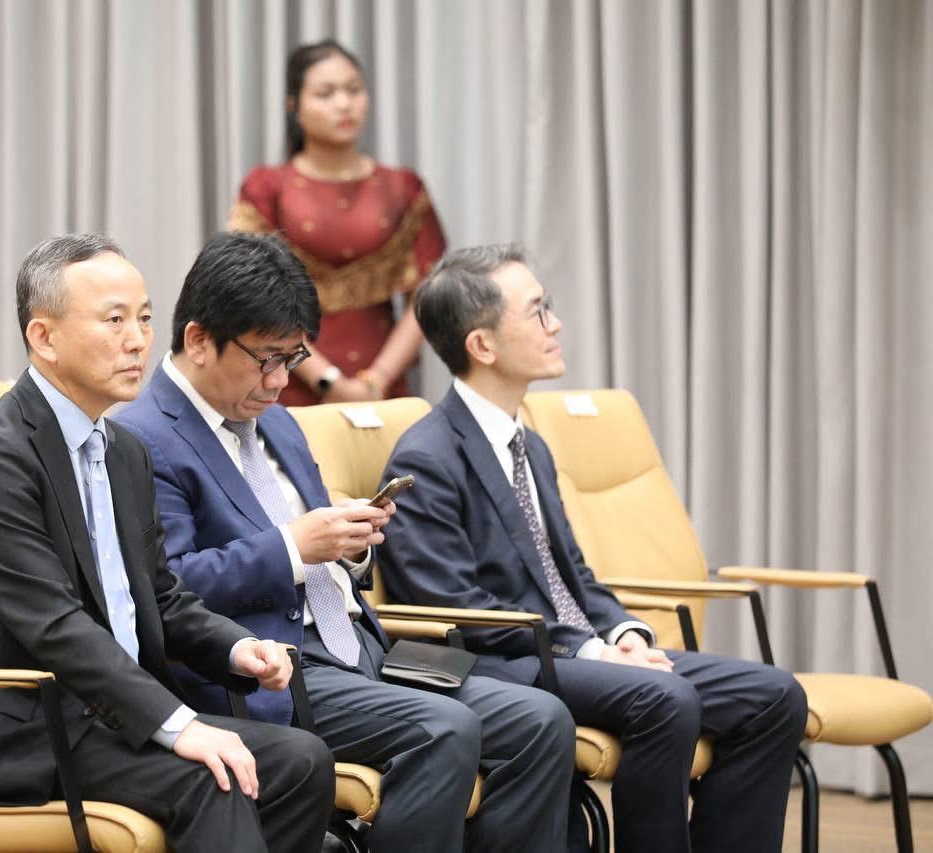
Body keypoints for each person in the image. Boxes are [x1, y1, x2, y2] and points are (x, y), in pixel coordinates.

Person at [118, 232, 574, 853]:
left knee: (541, 719)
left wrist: (352, 544)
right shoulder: (143, 438)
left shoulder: (277, 421)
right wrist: (293, 547)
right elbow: (168, 587)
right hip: (269, 669)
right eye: (266, 359)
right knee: (443, 729)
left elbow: (318, 548)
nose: (280, 381)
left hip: (360, 647)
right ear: (199, 340)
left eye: (294, 358)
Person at [0, 234, 336, 853]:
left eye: (145, 318)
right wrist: (178, 726)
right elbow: (53, 624)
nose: (138, 341)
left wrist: (239, 648)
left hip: (104, 716)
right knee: (215, 778)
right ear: (44, 338)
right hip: (14, 729)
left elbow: (160, 595)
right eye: (114, 320)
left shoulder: (124, 450)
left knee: (301, 762)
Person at [379, 244, 809, 852]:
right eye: (537, 311)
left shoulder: (529, 445)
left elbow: (571, 574)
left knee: (774, 696)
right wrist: (590, 650)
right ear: (482, 345)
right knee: (664, 697)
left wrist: (623, 632)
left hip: (575, 650)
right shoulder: (428, 456)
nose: (555, 325)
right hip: (502, 661)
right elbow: (451, 607)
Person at [227, 39, 446, 406]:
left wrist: (376, 381)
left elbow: (424, 297)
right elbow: (251, 297)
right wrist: (327, 381)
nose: (344, 104)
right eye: (326, 94)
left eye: (354, 90)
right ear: (294, 106)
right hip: (286, 382)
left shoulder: (403, 188)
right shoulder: (267, 190)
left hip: (383, 390)